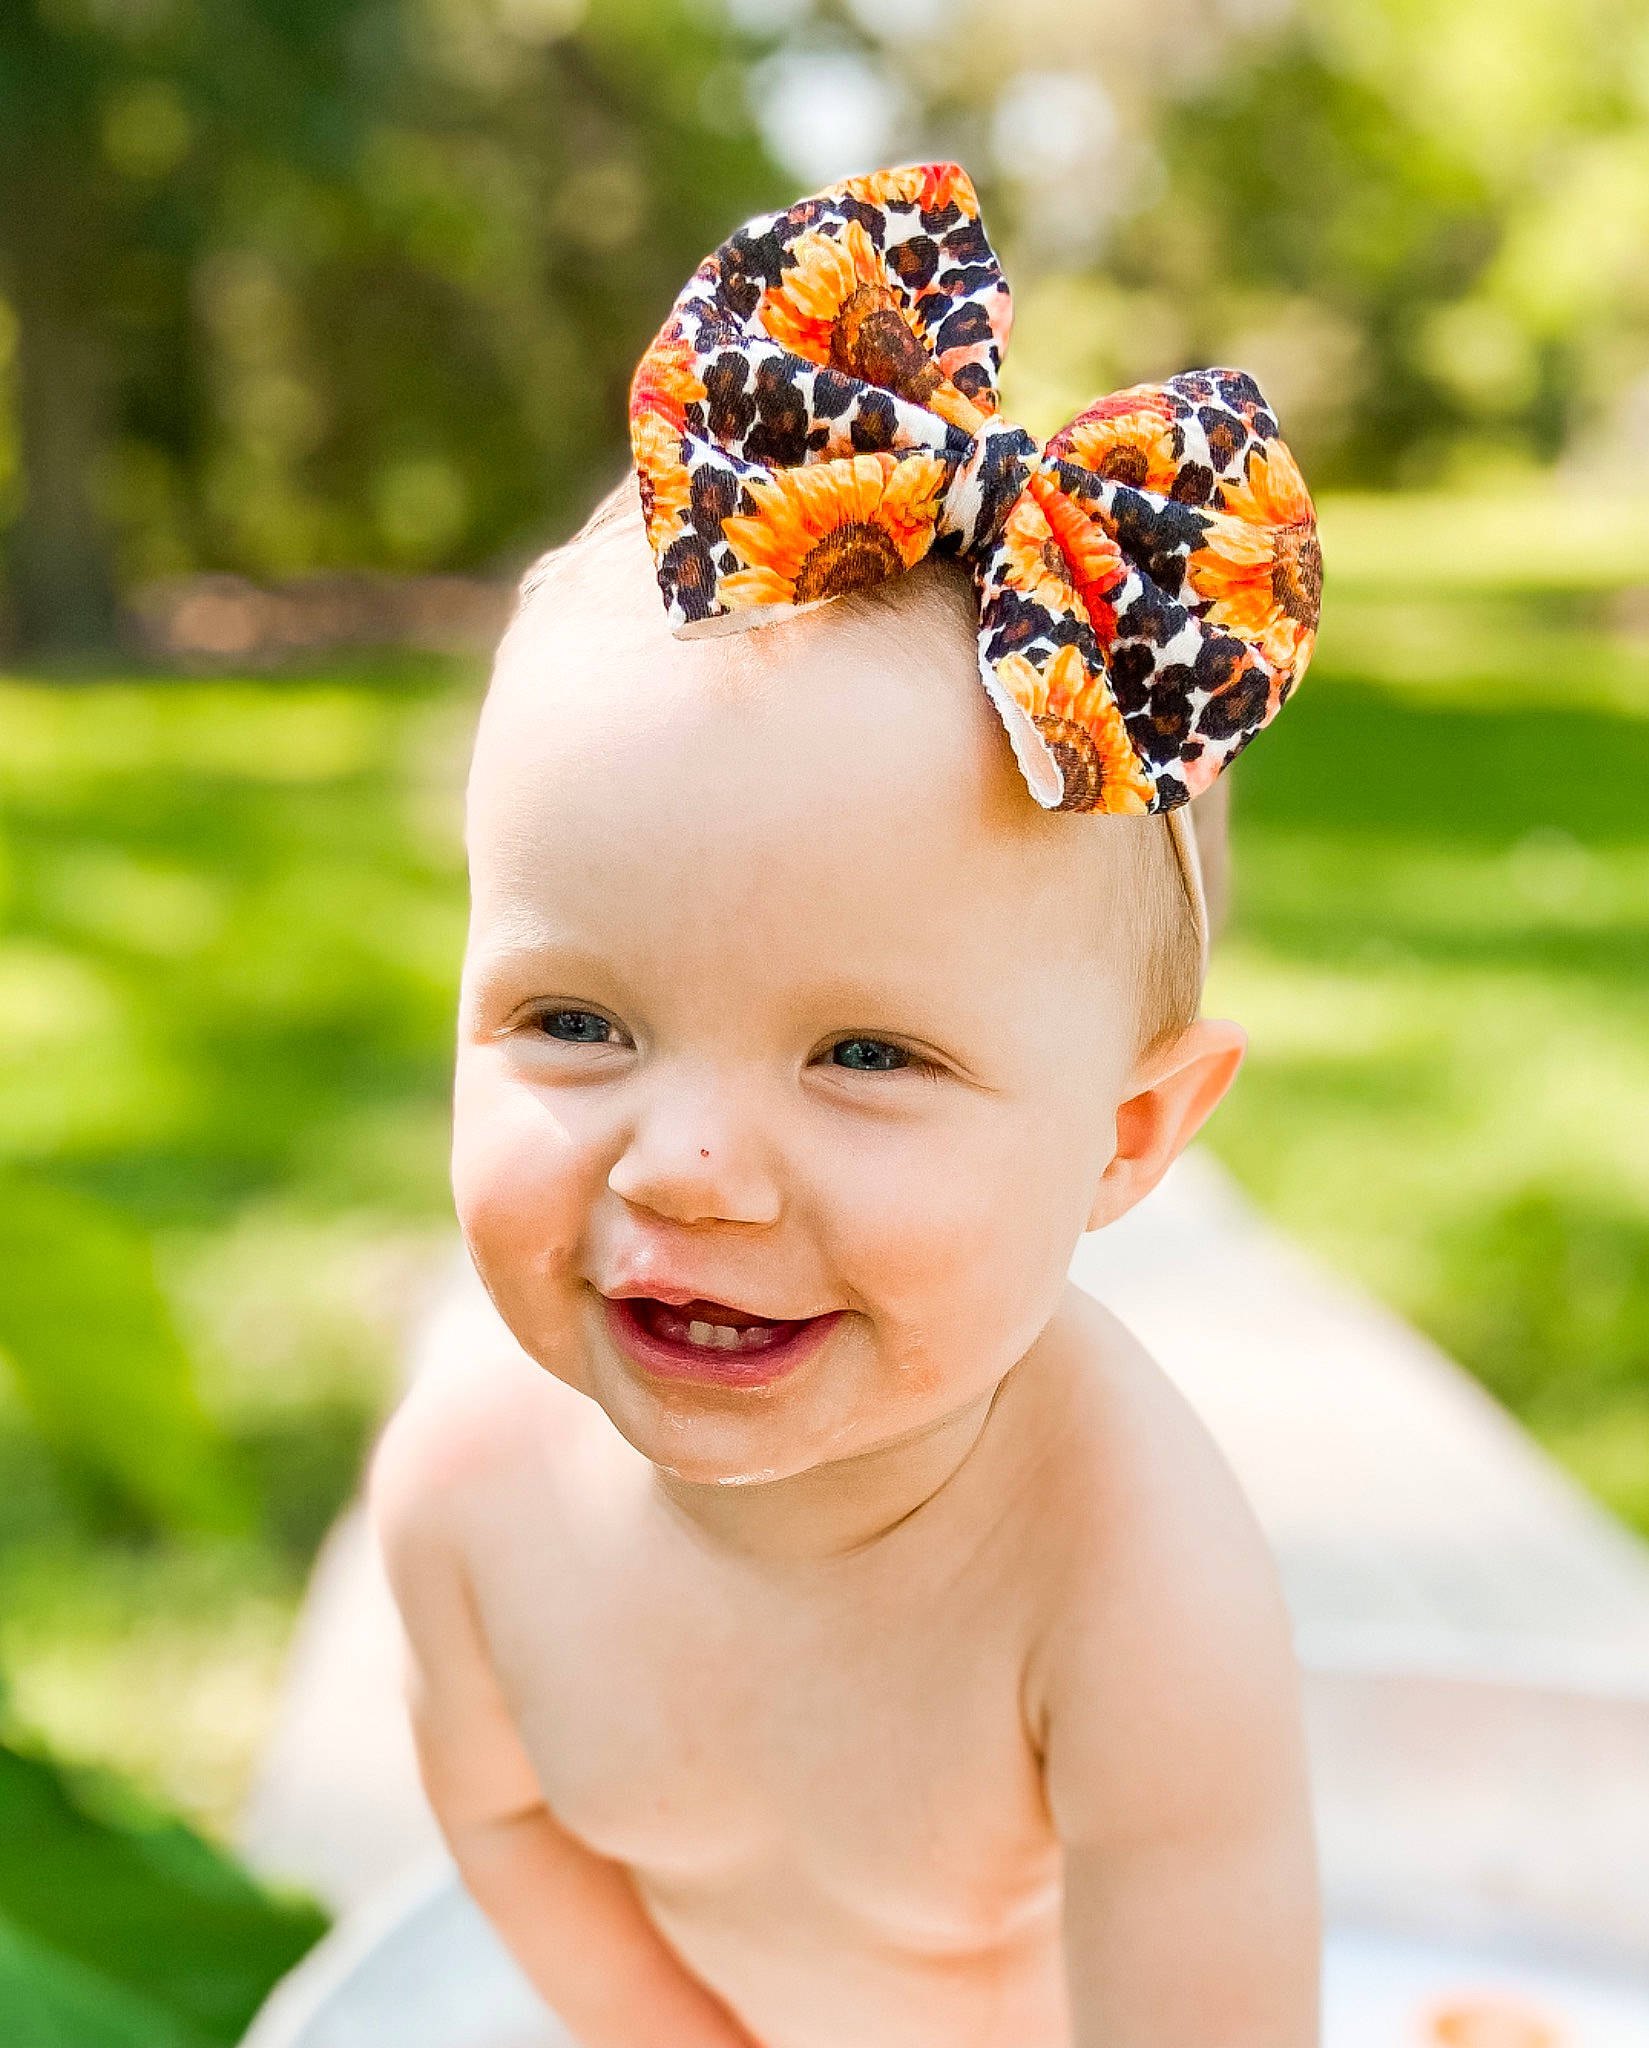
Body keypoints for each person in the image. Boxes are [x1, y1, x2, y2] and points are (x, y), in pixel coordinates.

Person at [371, 161, 1323, 2048]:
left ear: (1124, 1139)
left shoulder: (1125, 1576)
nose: (692, 1166)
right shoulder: (467, 1498)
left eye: (865, 1056)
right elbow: (499, 1818)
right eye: (576, 1019)